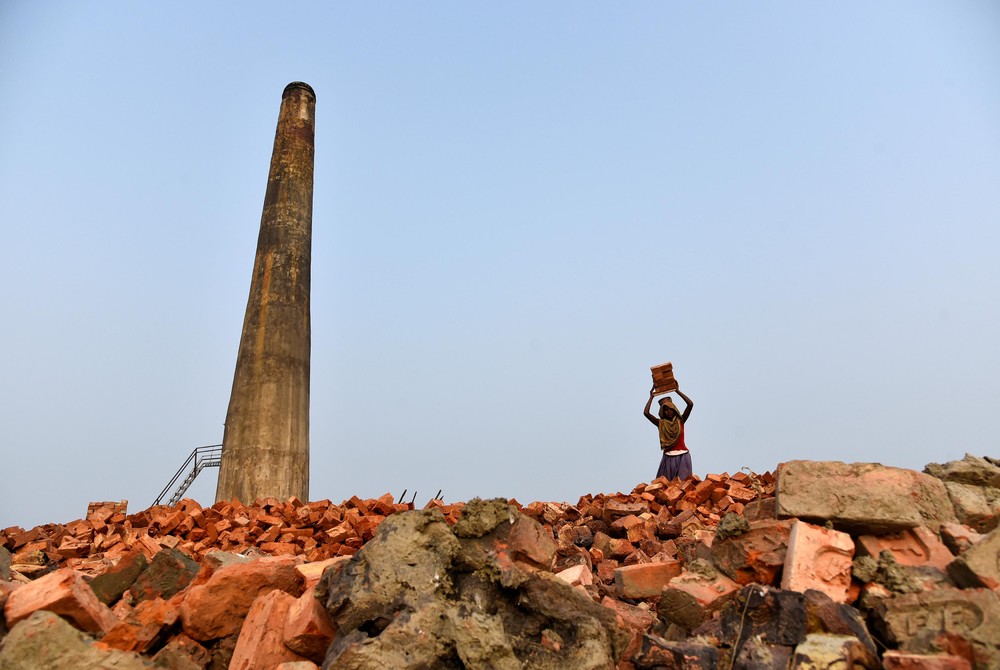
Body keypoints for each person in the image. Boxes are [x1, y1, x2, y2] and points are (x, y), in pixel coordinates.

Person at [643, 385, 694, 481]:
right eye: (665, 410)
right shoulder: (660, 423)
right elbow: (646, 413)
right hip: (668, 458)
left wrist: (677, 391)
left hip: (683, 456)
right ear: (662, 412)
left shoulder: (681, 420)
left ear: (674, 409)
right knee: (665, 486)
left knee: (683, 484)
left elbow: (690, 404)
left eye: (670, 409)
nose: (668, 412)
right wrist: (651, 397)